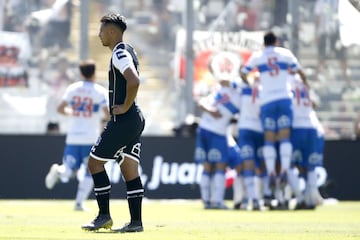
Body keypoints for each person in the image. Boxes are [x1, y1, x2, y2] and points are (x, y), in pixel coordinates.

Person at [81, 13, 145, 233]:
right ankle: (136, 222)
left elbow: (134, 80)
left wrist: (125, 106)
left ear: (111, 31)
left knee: (94, 163)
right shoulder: (129, 50)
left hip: (125, 119)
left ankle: (103, 216)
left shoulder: (119, 53)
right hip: (135, 119)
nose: (99, 35)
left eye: (101, 30)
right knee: (129, 170)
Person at [240, 31, 308, 196]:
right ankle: (284, 170)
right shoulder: (285, 53)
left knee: (269, 138)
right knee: (284, 136)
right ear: (276, 41)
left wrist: (248, 82)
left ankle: (271, 172)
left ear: (264, 43)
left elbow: (243, 71)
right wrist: (306, 84)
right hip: (284, 99)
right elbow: (299, 71)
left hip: (267, 102)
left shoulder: (258, 56)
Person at [45, 59, 110, 211]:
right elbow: (107, 113)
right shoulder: (99, 91)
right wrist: (96, 117)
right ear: (94, 73)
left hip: (73, 136)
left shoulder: (73, 88)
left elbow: (60, 109)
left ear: (81, 73)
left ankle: (59, 171)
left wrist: (74, 113)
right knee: (91, 170)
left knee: (69, 169)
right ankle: (79, 203)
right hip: (90, 137)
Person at [194, 76, 240, 209]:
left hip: (203, 129)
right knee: (220, 166)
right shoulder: (239, 97)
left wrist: (210, 111)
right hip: (217, 132)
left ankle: (207, 201)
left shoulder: (222, 91)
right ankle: (216, 201)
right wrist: (212, 112)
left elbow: (201, 102)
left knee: (207, 167)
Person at [314, 0, 352, 88]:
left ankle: (348, 82)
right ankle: (316, 81)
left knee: (343, 58)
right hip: (324, 33)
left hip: (338, 33)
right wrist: (316, 33)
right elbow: (318, 17)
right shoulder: (321, 2)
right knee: (321, 58)